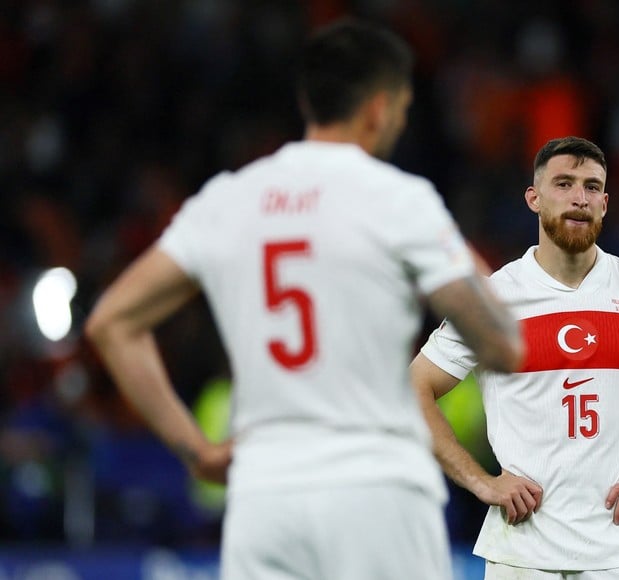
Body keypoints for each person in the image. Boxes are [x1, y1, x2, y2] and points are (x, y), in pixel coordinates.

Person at [85, 18, 524, 580]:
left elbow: (112, 323)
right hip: (375, 492)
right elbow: (502, 345)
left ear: (308, 99)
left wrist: (196, 451)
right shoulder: (398, 201)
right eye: (403, 105)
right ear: (379, 107)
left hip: (264, 497)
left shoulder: (229, 200)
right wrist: (457, 252)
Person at [412, 136, 619, 579]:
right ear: (533, 197)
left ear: (605, 203)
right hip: (521, 555)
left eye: (591, 186)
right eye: (563, 184)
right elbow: (414, 389)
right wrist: (480, 481)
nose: (579, 198)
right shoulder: (493, 300)